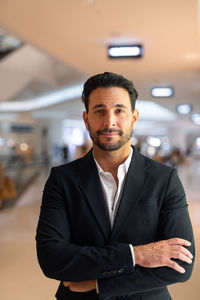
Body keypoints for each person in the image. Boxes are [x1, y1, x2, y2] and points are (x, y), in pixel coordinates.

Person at [36, 72, 195, 300]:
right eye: (99, 111)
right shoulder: (63, 179)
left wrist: (101, 284)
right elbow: (52, 257)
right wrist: (136, 254)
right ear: (86, 119)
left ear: (134, 117)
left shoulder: (164, 178)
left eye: (119, 110)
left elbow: (181, 263)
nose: (109, 122)